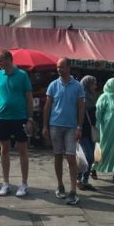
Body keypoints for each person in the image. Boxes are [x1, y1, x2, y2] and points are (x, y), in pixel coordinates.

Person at [0, 50, 34, 197]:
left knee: (22, 150)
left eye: (1, 60)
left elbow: (29, 97)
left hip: (20, 118)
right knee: (4, 150)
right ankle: (6, 183)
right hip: (2, 118)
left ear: (9, 59)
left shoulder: (22, 75)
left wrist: (30, 118)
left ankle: (24, 183)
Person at [42, 58, 85, 205]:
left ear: (68, 67)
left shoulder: (78, 86)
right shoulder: (53, 85)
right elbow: (47, 106)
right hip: (55, 125)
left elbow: (81, 107)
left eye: (62, 67)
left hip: (71, 127)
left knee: (71, 158)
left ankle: (73, 189)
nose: (59, 69)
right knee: (58, 156)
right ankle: (60, 185)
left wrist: (79, 127)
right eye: (57, 67)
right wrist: (45, 126)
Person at [93, 77, 114, 184]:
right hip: (107, 130)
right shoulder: (103, 97)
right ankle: (93, 168)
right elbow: (98, 112)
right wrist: (96, 127)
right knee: (103, 149)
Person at [79, 75, 98, 189]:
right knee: (87, 156)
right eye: (93, 84)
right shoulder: (81, 97)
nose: (95, 86)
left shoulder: (92, 97)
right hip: (83, 130)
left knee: (91, 157)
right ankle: (78, 178)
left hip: (91, 131)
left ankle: (85, 180)